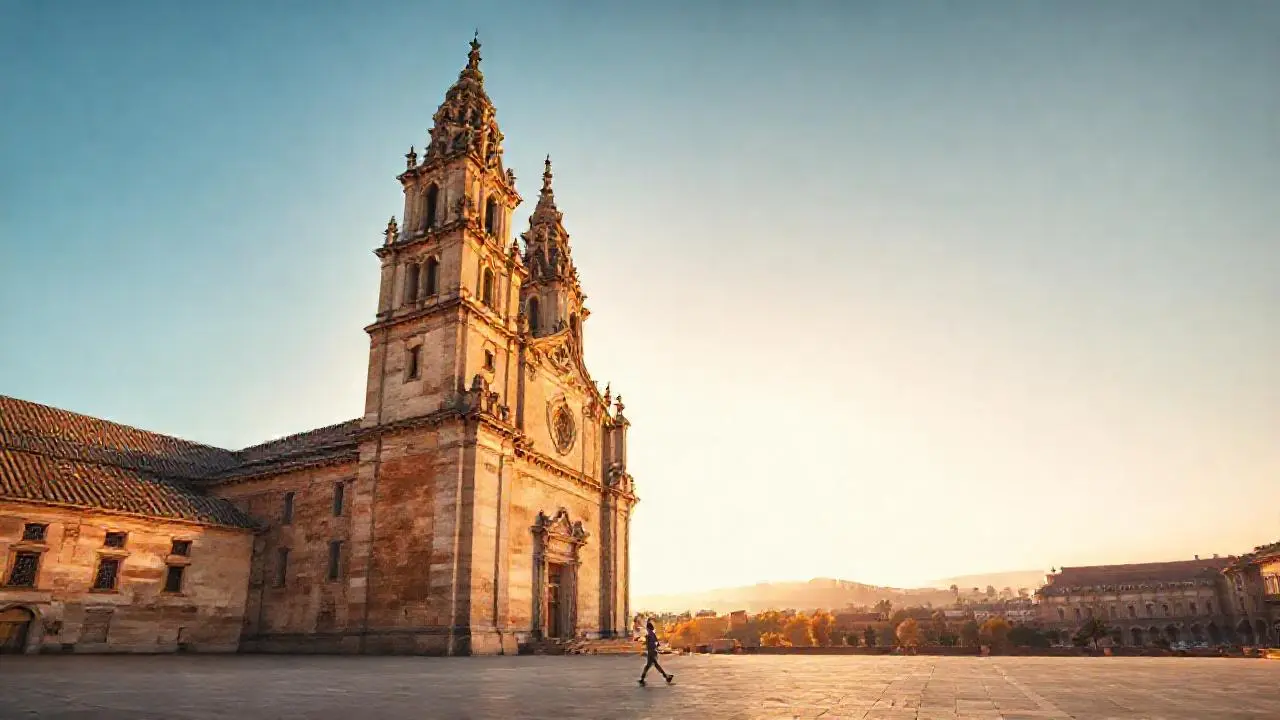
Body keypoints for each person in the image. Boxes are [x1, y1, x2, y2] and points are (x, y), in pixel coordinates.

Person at [638, 620, 673, 686]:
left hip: (651, 652)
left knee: (650, 666)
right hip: (653, 651)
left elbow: (649, 642)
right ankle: (666, 676)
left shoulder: (648, 633)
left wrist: (645, 645)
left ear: (647, 627)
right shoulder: (652, 633)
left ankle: (642, 679)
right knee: (654, 665)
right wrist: (656, 648)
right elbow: (656, 643)